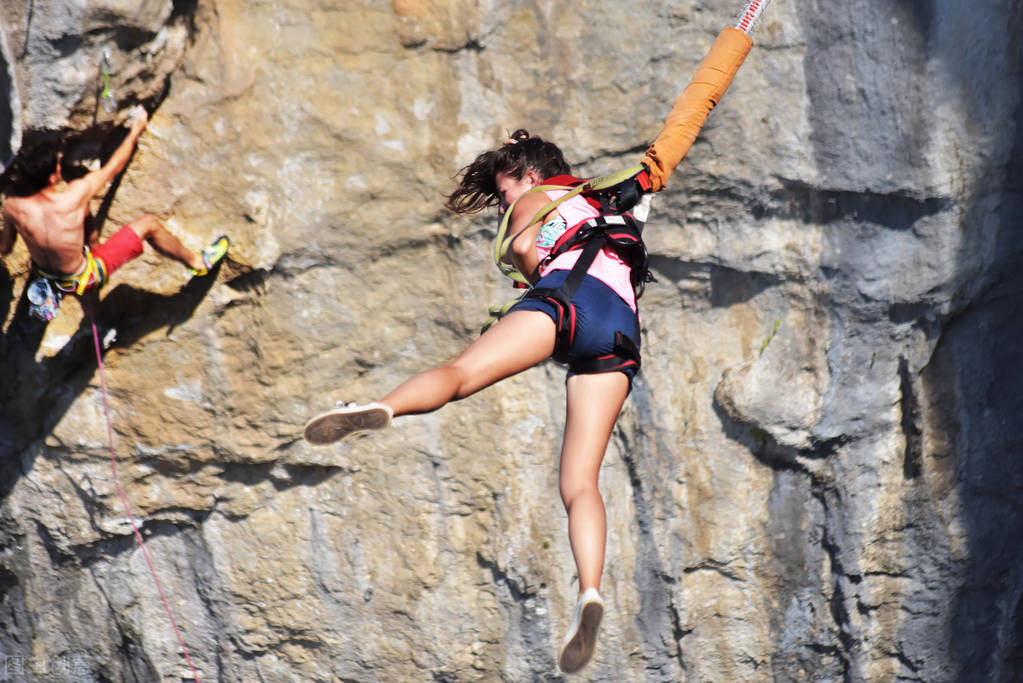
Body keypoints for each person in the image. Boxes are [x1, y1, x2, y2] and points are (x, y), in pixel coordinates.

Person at [305, 129, 647, 673]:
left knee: (460, 374)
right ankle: (589, 590)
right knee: (581, 483)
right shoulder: (613, 200)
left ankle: (380, 407)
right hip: (620, 333)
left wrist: (533, 272)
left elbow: (521, 248)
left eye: (504, 192)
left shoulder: (541, 194)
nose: (504, 203)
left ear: (531, 176)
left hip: (566, 299)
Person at [0, 106, 228, 317]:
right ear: (52, 177)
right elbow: (114, 167)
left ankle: (53, 294)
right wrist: (135, 132)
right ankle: (197, 263)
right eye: (58, 166)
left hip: (46, 278)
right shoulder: (73, 196)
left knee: (81, 214)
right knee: (149, 223)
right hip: (85, 278)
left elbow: (5, 247)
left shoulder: (13, 207)